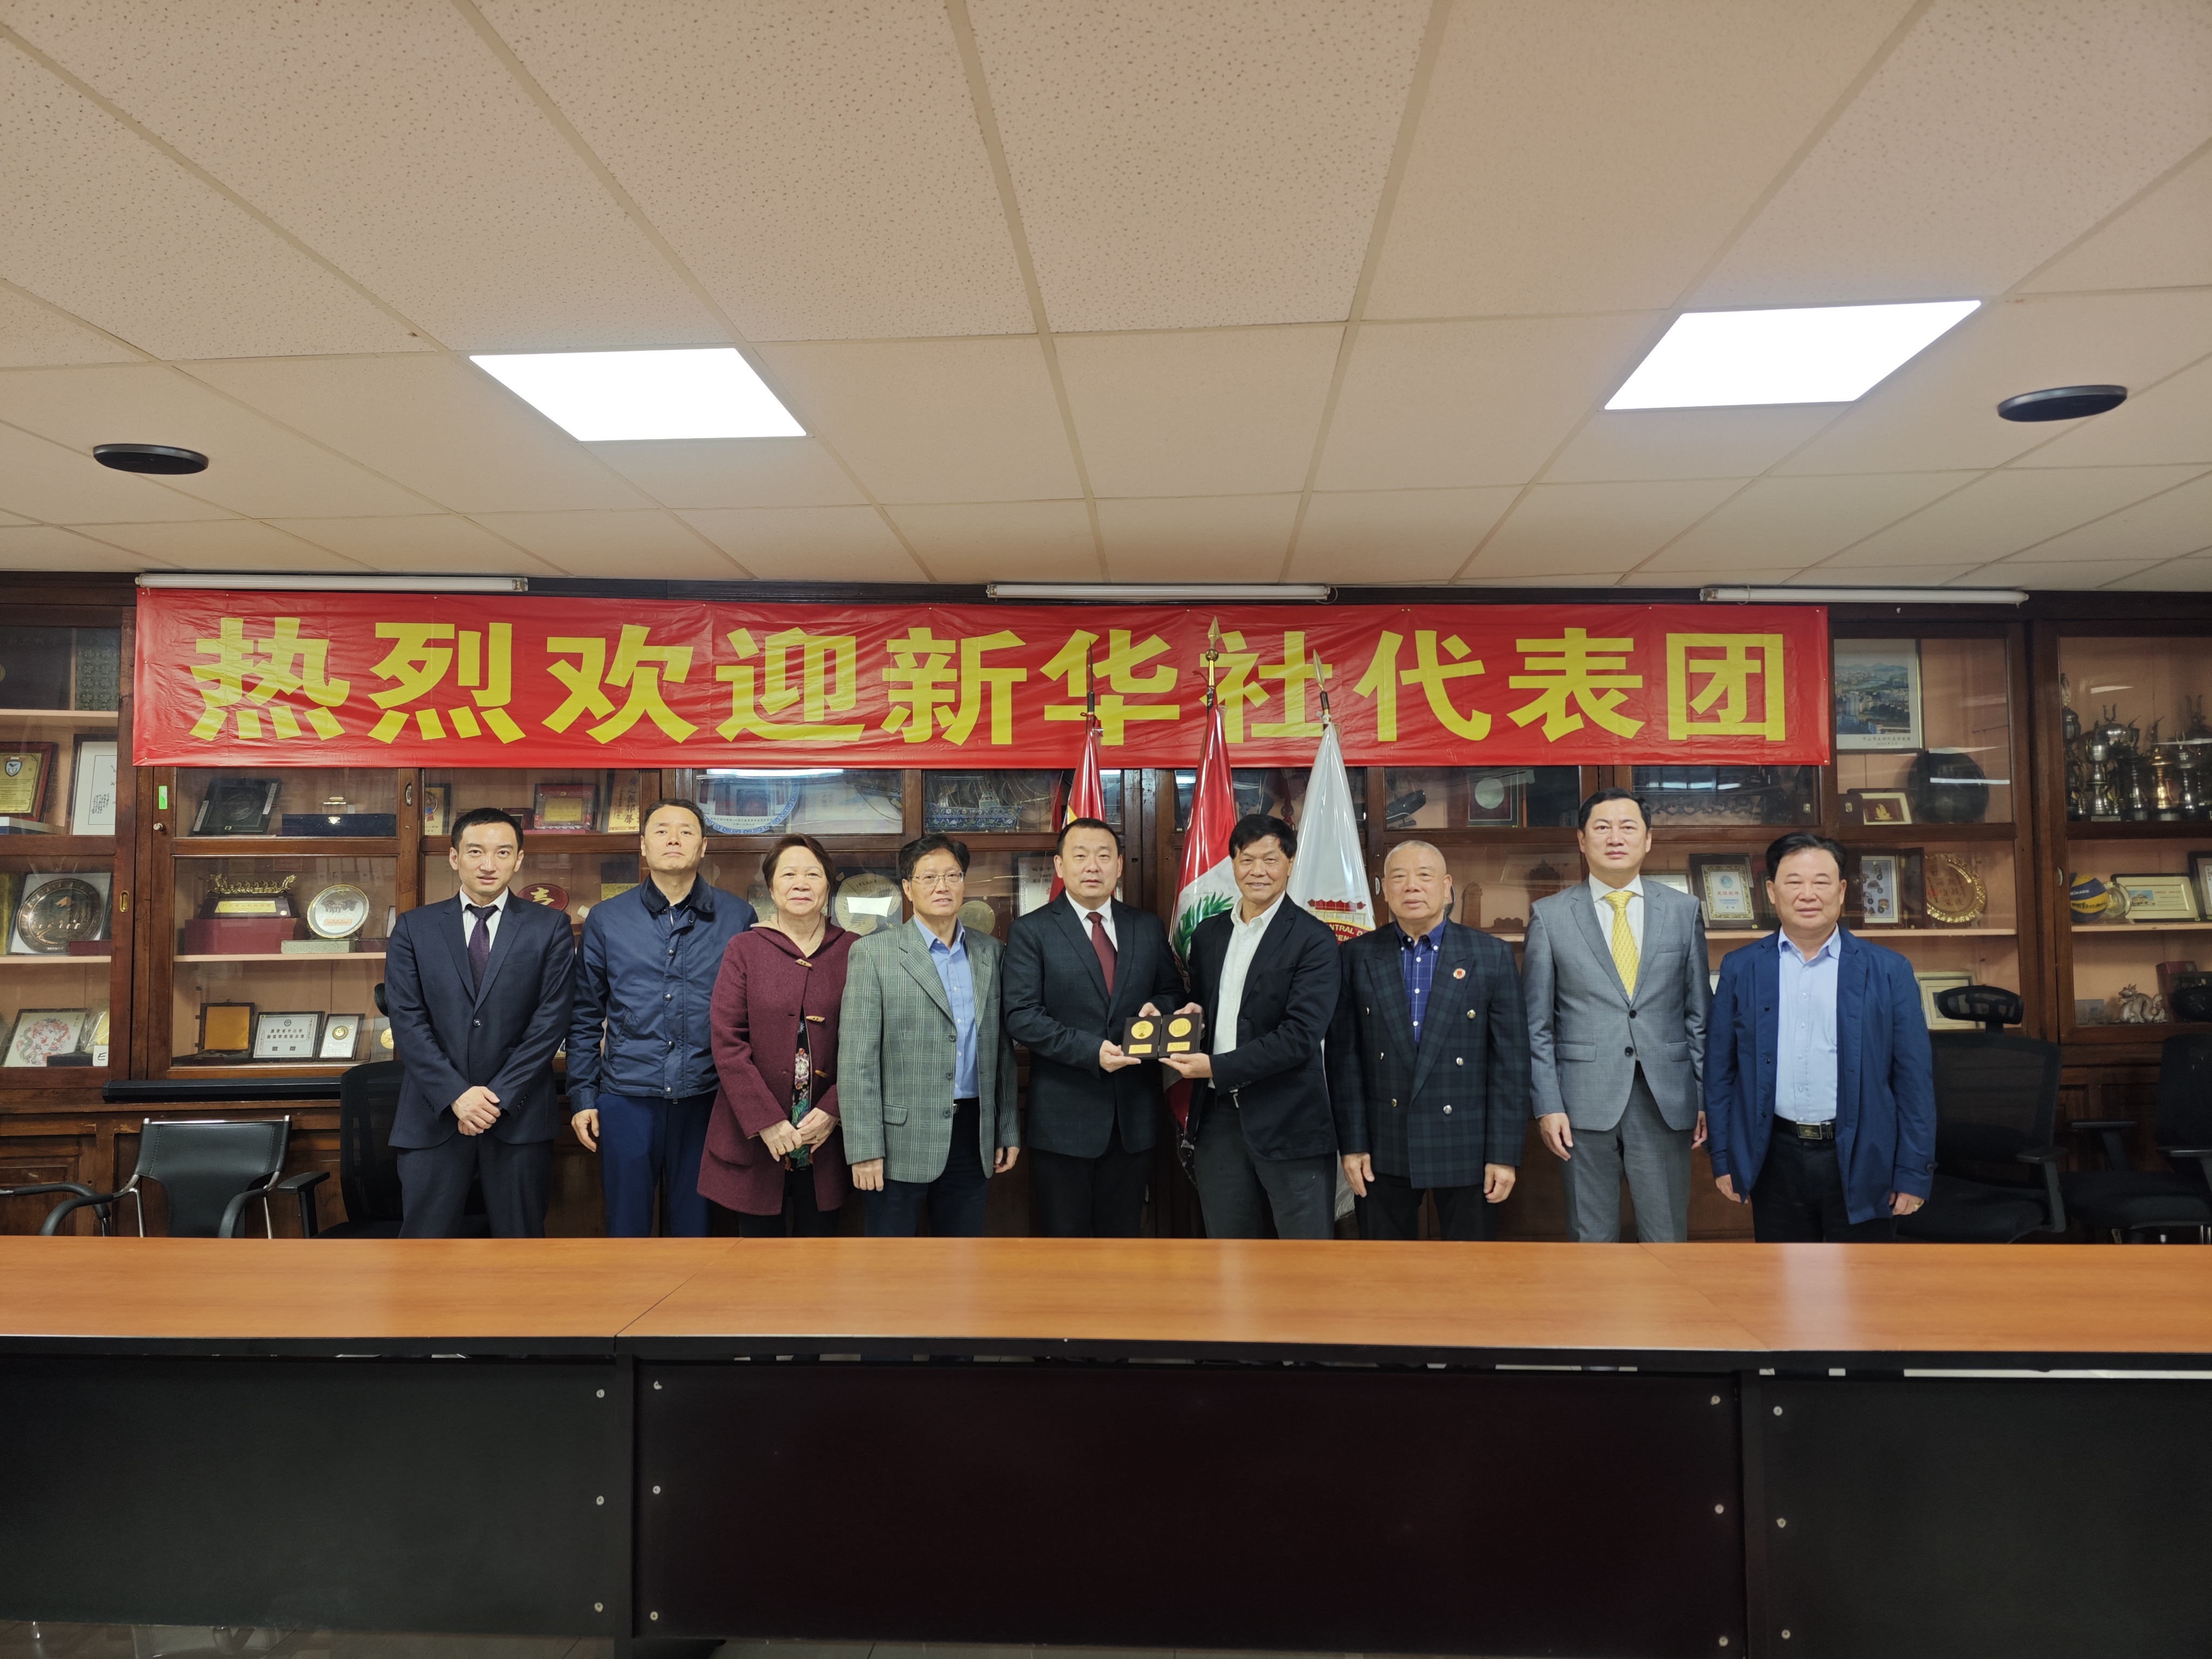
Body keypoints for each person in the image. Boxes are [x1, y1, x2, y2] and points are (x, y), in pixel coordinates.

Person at [1705, 831, 1936, 1240]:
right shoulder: (1741, 968)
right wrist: (1723, 1156)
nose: (1808, 894)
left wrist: (1913, 1172)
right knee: (1784, 1278)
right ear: (1772, 892)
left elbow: (1914, 1082)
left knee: (1864, 1278)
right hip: (1774, 1156)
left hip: (1864, 1156)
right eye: (1794, 882)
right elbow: (1720, 1072)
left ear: (1842, 891)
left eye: (1821, 882)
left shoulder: (1889, 971)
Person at [1523, 787, 1709, 1244]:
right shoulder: (1549, 916)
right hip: (1581, 1102)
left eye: (1628, 827)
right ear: (1582, 840)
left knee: (1666, 1238)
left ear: (1648, 839)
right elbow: (1537, 1025)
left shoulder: (1684, 911)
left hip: (1666, 1098)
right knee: (1592, 1240)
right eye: (1602, 827)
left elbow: (1699, 1016)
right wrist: (1548, 1104)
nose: (1615, 837)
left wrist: (1704, 1095)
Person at [385, 805, 576, 1237]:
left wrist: (496, 1098)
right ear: (455, 858)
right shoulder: (415, 928)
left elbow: (551, 1021)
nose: (489, 864)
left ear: (519, 860)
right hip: (433, 1115)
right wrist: (456, 1095)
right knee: (425, 1251)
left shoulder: (550, 927)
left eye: (502, 853)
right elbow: (407, 1020)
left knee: (520, 1248)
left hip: (518, 1116)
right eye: (475, 852)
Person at [567, 799, 754, 1237]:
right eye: (662, 830)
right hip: (627, 1096)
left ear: (703, 847)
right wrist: (584, 1096)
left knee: (698, 1231)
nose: (674, 839)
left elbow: (749, 1016)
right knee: (626, 1228)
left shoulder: (737, 917)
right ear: (643, 845)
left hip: (709, 1098)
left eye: (686, 831)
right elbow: (585, 1014)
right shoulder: (608, 919)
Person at [1330, 840, 1528, 1240]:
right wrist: (1353, 1145)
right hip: (1383, 1143)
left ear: (1447, 886)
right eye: (1399, 877)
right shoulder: (1356, 955)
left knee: (1470, 1267)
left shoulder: (1490, 955)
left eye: (1424, 876)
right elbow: (1344, 1060)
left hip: (1469, 1144)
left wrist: (1503, 1155)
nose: (1412, 886)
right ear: (1384, 889)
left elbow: (1510, 1064)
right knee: (1386, 1267)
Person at [1002, 816, 1186, 1237]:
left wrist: (1160, 1008)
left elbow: (1172, 991)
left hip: (1134, 1118)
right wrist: (1092, 1051)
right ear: (1060, 865)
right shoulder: (1031, 931)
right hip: (1063, 1121)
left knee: (1123, 1241)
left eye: (1104, 856)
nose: (1092, 866)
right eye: (1080, 856)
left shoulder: (1146, 926)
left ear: (1119, 865)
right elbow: (1022, 1016)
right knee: (1065, 1245)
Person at [1163, 813, 1341, 1240]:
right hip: (1218, 1120)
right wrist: (1189, 1017)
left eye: (1270, 859)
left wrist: (1216, 1067)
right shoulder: (1208, 934)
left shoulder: (1314, 939)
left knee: (1305, 1256)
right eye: (1247, 860)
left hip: (1290, 1118)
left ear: (1290, 864)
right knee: (1230, 1254)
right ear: (1232, 864)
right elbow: (1205, 1007)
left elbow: (1300, 1036)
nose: (1258, 871)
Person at [839, 835, 1020, 1236]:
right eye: (929, 877)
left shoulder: (991, 953)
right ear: (907, 887)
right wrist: (865, 1149)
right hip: (897, 1139)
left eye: (953, 876)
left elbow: (1001, 1050)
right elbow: (857, 1061)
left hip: (973, 1134)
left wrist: (1007, 1127)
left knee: (962, 1261)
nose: (943, 886)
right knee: (893, 1263)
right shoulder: (874, 954)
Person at [703, 834, 854, 1235]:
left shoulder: (856, 951)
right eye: (789, 875)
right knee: (758, 1260)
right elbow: (727, 1041)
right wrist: (766, 1120)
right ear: (771, 888)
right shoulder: (744, 949)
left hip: (827, 1135)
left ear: (828, 886)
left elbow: (870, 1045)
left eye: (813, 875)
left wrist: (835, 1109)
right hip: (757, 1136)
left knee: (821, 1254)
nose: (801, 884)